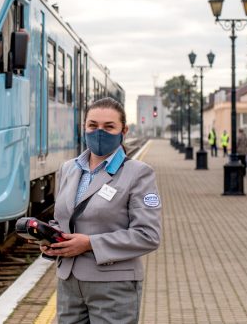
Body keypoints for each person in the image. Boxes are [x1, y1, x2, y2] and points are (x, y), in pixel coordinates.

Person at [42, 97, 161, 324]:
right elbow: (63, 221)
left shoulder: (139, 174)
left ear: (123, 130)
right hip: (68, 281)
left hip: (113, 286)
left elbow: (148, 236)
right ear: (83, 127)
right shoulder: (68, 169)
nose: (99, 133)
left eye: (109, 127)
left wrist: (90, 243)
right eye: (93, 125)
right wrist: (49, 237)